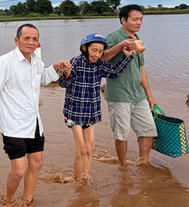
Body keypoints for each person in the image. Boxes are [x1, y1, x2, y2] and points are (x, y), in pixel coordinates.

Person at [0, 24, 71, 205]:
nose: (31, 42)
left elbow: (42, 79)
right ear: (16, 40)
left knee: (37, 163)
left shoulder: (36, 60)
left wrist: (55, 67)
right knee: (19, 170)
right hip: (13, 123)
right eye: (26, 38)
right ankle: (8, 200)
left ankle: (26, 201)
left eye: (35, 39)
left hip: (34, 122)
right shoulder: (5, 61)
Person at [58, 33, 136, 181]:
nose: (97, 54)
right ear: (85, 48)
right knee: (81, 149)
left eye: (100, 52)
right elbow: (63, 83)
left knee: (90, 148)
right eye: (94, 50)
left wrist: (127, 56)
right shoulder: (76, 62)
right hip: (74, 112)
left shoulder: (99, 64)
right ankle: (77, 182)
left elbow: (114, 72)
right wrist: (66, 74)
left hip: (90, 112)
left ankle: (85, 178)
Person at [104, 5, 158, 165]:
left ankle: (144, 162)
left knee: (148, 130)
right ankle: (123, 166)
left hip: (138, 95)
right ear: (123, 20)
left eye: (141, 19)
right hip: (119, 95)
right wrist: (121, 46)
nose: (139, 22)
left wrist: (149, 96)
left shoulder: (137, 39)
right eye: (135, 19)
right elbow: (101, 58)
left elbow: (141, 70)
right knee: (121, 134)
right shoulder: (113, 37)